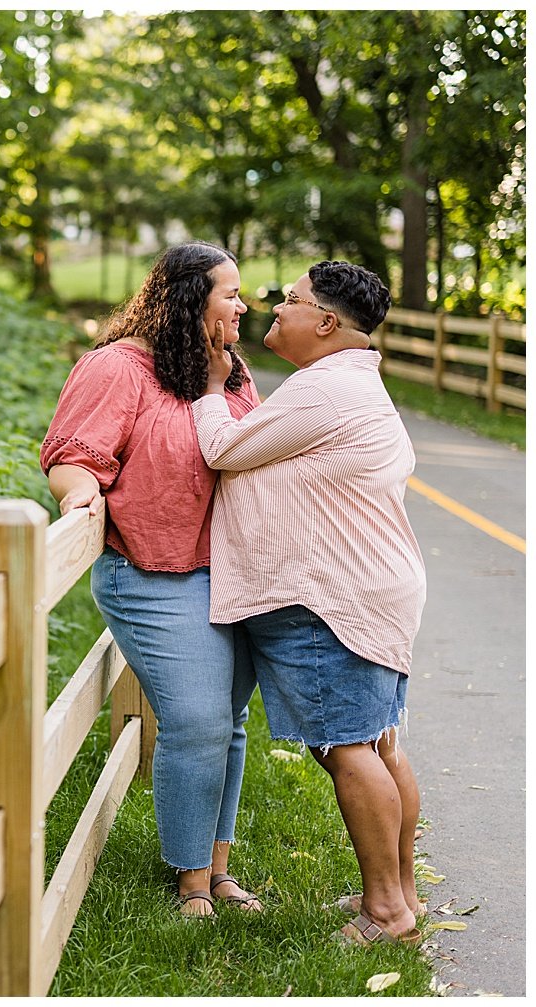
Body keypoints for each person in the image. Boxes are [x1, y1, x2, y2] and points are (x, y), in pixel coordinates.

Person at [192, 260, 426, 945]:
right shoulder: (338, 385)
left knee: (346, 746)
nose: (275, 307)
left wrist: (212, 384)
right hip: (366, 588)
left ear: (325, 323)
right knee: (377, 742)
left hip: (331, 597)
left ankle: (386, 913)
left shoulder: (325, 391)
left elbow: (223, 448)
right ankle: (399, 891)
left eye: (289, 301)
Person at [41, 241, 263, 918]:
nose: (243, 305)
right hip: (153, 571)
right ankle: (190, 882)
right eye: (231, 293)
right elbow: (74, 455)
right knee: (196, 718)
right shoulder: (117, 367)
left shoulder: (226, 369)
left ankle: (219, 869)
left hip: (232, 571)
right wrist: (79, 495)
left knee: (227, 723)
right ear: (192, 300)